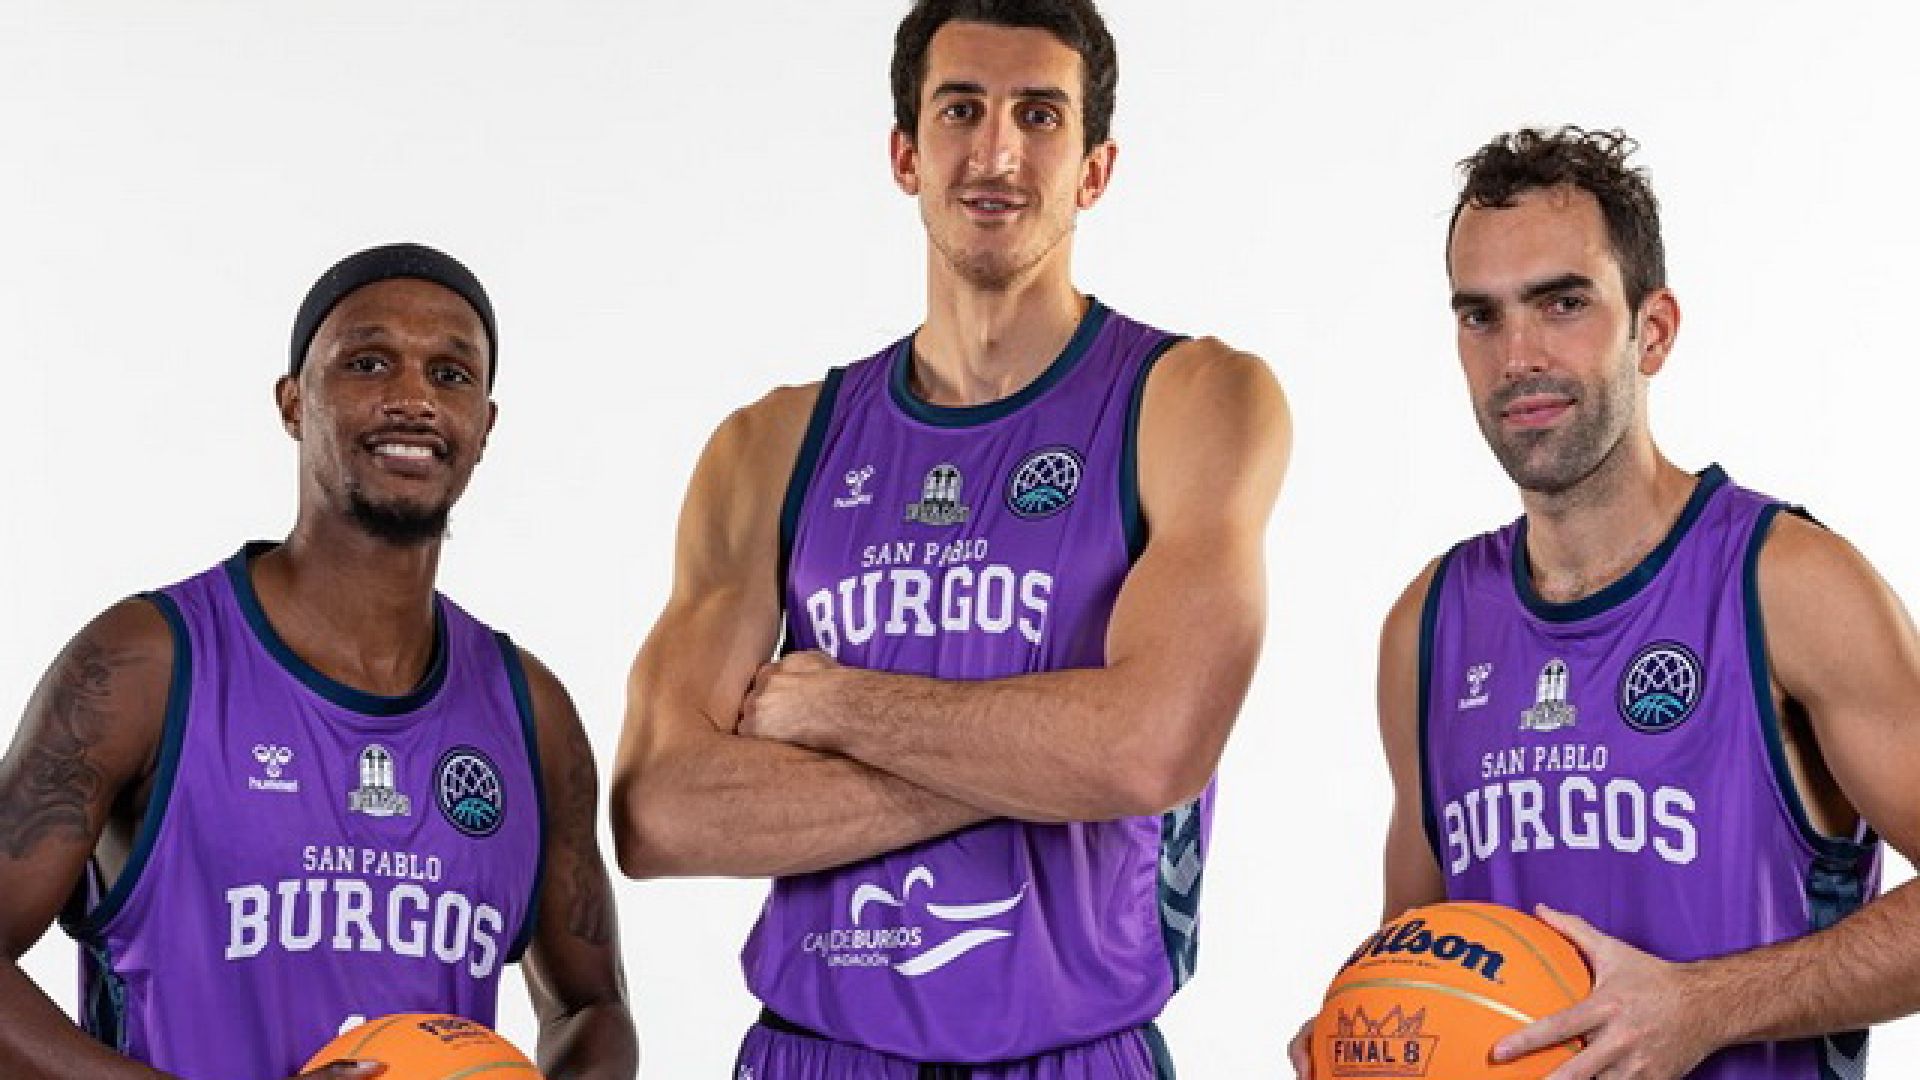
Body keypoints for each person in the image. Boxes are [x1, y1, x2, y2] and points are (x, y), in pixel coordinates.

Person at [610, 1, 1290, 1076]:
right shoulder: (772, 445)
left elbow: (1153, 749)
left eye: (1040, 115)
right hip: (817, 1052)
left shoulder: (1191, 399)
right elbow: (662, 813)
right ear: (905, 154)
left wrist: (839, 709)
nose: (997, 152)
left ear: (1096, 170)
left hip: (1077, 1053)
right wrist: (1047, 760)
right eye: (961, 110)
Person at [1293, 126, 1920, 1079]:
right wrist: (1362, 1030)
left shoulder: (1788, 585)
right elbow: (1418, 948)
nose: (1518, 355)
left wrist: (1705, 1005)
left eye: (1563, 304)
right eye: (1481, 316)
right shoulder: (1428, 625)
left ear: (1652, 330)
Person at [0, 244, 638, 1080]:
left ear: (484, 425)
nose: (414, 398)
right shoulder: (144, 663)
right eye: (368, 363)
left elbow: (590, 1008)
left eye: (450, 375)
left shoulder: (531, 714)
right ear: (294, 402)